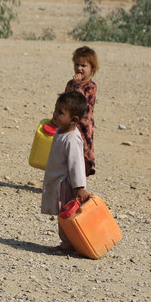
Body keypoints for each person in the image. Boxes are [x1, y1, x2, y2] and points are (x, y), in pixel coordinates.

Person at [42, 91, 92, 254]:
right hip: (57, 181)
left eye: (60, 112)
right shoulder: (60, 131)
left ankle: (67, 245)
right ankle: (70, 243)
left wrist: (80, 187)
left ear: (74, 119)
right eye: (55, 110)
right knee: (62, 215)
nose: (55, 114)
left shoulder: (71, 139)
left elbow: (76, 164)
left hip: (65, 184)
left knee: (66, 215)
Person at [64, 46, 98, 177]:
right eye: (76, 64)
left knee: (81, 153)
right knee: (67, 151)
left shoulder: (91, 86)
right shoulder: (70, 84)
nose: (79, 68)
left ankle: (79, 182)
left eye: (83, 65)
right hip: (69, 123)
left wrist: (78, 86)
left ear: (92, 68)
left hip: (83, 126)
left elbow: (81, 103)